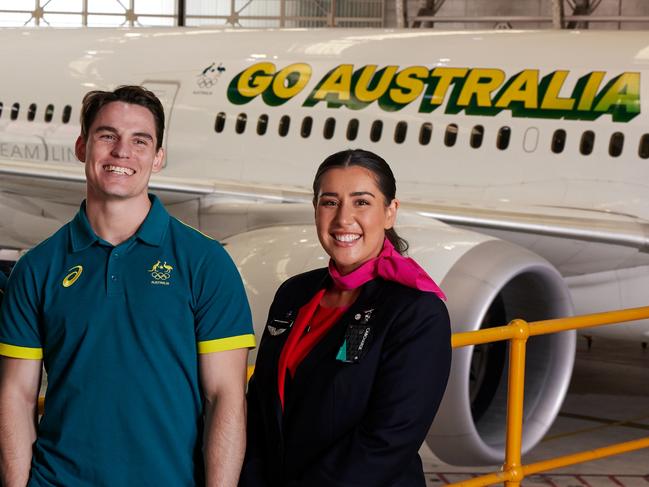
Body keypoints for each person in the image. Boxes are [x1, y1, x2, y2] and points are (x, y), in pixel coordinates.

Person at [0, 86, 255, 486]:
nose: (122, 152)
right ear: (82, 146)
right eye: (107, 136)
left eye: (140, 141)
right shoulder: (37, 268)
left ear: (158, 157)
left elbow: (225, 398)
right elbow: (16, 396)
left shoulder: (205, 263)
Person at [240, 149, 452, 487]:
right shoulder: (294, 293)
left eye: (361, 202)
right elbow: (260, 409)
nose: (343, 219)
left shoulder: (417, 312)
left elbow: (388, 441)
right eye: (329, 202)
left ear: (390, 212)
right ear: (315, 210)